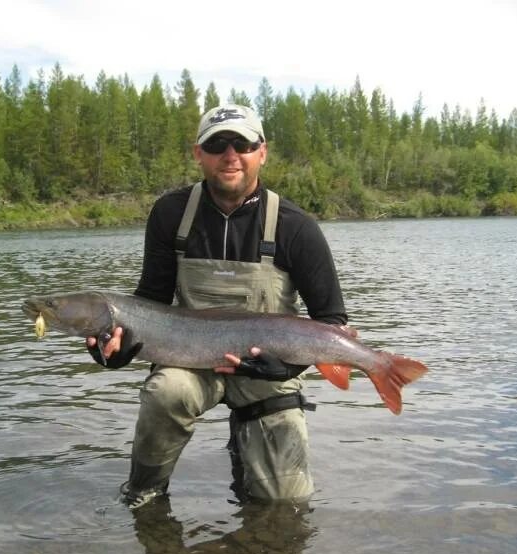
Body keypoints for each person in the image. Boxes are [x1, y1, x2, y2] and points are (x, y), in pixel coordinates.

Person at [87, 104, 347, 509]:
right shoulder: (170, 215)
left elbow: (331, 319)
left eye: (242, 143)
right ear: (198, 153)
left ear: (262, 151)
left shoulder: (297, 226)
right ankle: (145, 494)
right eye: (217, 144)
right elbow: (150, 303)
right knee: (166, 391)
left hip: (267, 369)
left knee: (284, 506)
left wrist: (290, 367)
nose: (230, 155)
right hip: (189, 364)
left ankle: (250, 457)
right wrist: (118, 351)